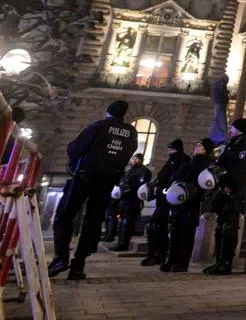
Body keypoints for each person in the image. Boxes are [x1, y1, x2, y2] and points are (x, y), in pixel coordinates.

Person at [48, 100, 138, 280]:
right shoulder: (131, 132)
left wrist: (76, 163)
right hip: (107, 182)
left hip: (85, 176)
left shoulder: (100, 125)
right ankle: (78, 265)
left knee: (65, 214)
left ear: (108, 111)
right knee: (93, 220)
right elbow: (129, 153)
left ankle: (61, 257)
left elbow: (76, 147)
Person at [202, 118, 246, 275]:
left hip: (235, 191)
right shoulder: (231, 144)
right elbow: (222, 163)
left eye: (232, 128)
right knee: (221, 226)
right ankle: (218, 261)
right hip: (224, 189)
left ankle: (226, 262)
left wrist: (232, 186)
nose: (229, 130)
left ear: (239, 129)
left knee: (230, 227)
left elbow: (244, 168)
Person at [162, 138, 216, 272]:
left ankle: (182, 263)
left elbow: (206, 183)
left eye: (199, 146)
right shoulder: (191, 161)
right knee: (175, 232)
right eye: (196, 145)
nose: (196, 147)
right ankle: (171, 260)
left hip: (191, 201)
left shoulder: (207, 163)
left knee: (186, 233)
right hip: (179, 200)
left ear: (205, 149)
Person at [142, 140, 191, 266]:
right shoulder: (176, 160)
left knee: (157, 225)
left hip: (169, 200)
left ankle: (157, 254)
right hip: (165, 199)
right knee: (158, 226)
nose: (169, 152)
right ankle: (158, 254)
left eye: (171, 149)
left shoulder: (178, 160)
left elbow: (171, 177)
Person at [111, 153, 152, 251]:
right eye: (133, 158)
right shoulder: (129, 171)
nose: (134, 160)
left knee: (128, 223)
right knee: (121, 223)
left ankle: (124, 244)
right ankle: (120, 242)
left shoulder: (144, 171)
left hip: (133, 201)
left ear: (141, 160)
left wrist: (128, 190)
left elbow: (141, 186)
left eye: (136, 158)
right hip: (124, 200)